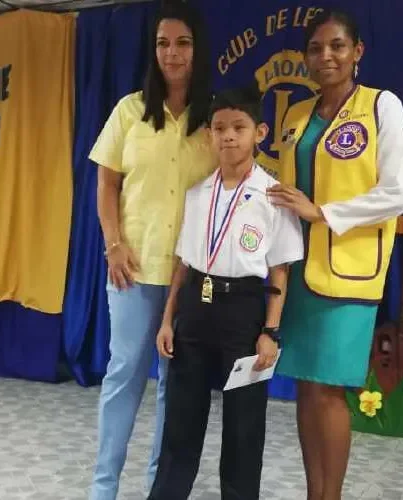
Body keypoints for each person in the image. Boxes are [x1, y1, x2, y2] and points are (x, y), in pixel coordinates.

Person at [267, 10, 403, 500]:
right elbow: (284, 194)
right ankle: (315, 493)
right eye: (315, 48)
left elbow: (398, 193)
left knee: (328, 390)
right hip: (298, 272)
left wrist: (323, 212)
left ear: (357, 52)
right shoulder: (296, 117)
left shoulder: (380, 107)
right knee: (306, 389)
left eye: (336, 46)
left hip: (348, 272)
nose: (324, 56)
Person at [148, 86, 304, 500]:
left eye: (239, 127)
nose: (228, 136)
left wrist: (270, 331)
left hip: (244, 311)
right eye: (220, 128)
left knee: (244, 426)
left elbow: (280, 270)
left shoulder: (273, 198)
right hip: (196, 309)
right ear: (209, 136)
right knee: (181, 421)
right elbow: (183, 264)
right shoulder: (198, 194)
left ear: (260, 132)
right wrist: (168, 320)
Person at [86, 2, 216, 499]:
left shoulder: (213, 120)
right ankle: (103, 487)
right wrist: (113, 244)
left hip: (190, 276)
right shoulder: (129, 110)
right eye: (163, 43)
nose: (172, 53)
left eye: (182, 43)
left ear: (197, 49)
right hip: (133, 271)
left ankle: (160, 487)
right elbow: (105, 183)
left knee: (174, 389)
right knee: (123, 377)